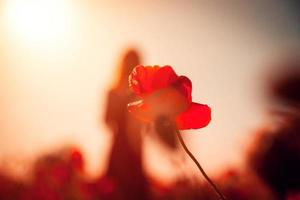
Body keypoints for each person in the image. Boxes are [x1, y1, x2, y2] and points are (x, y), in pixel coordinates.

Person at [104, 48, 148, 200]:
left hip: (135, 147)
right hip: (119, 147)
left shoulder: (143, 93)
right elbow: (106, 120)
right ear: (123, 64)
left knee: (135, 191)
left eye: (134, 62)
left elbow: (148, 122)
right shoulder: (112, 92)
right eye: (129, 61)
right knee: (115, 189)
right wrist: (122, 104)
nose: (131, 65)